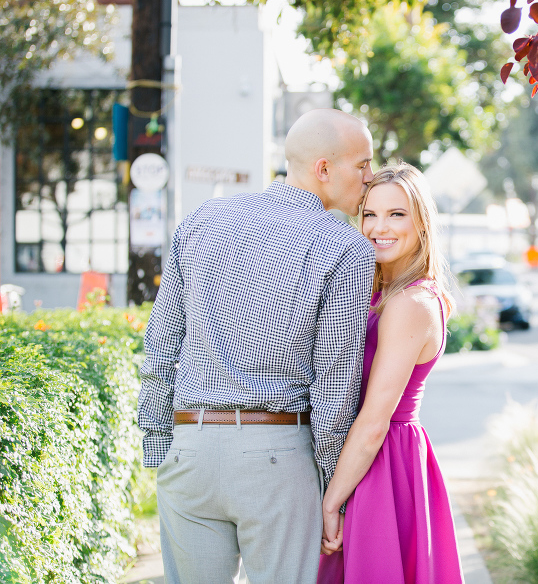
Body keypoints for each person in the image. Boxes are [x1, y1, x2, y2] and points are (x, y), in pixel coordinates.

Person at [138, 109, 376, 583]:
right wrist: (332, 491)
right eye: (363, 165)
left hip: (190, 450)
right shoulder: (346, 248)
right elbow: (334, 384)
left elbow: (161, 345)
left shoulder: (203, 221)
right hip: (277, 459)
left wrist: (160, 449)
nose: (370, 179)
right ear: (323, 169)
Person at [317, 162, 464, 584]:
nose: (379, 227)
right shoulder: (381, 292)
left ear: (421, 222)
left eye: (396, 214)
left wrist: (331, 502)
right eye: (370, 214)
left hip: (381, 465)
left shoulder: (410, 304)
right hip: (365, 460)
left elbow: (374, 420)